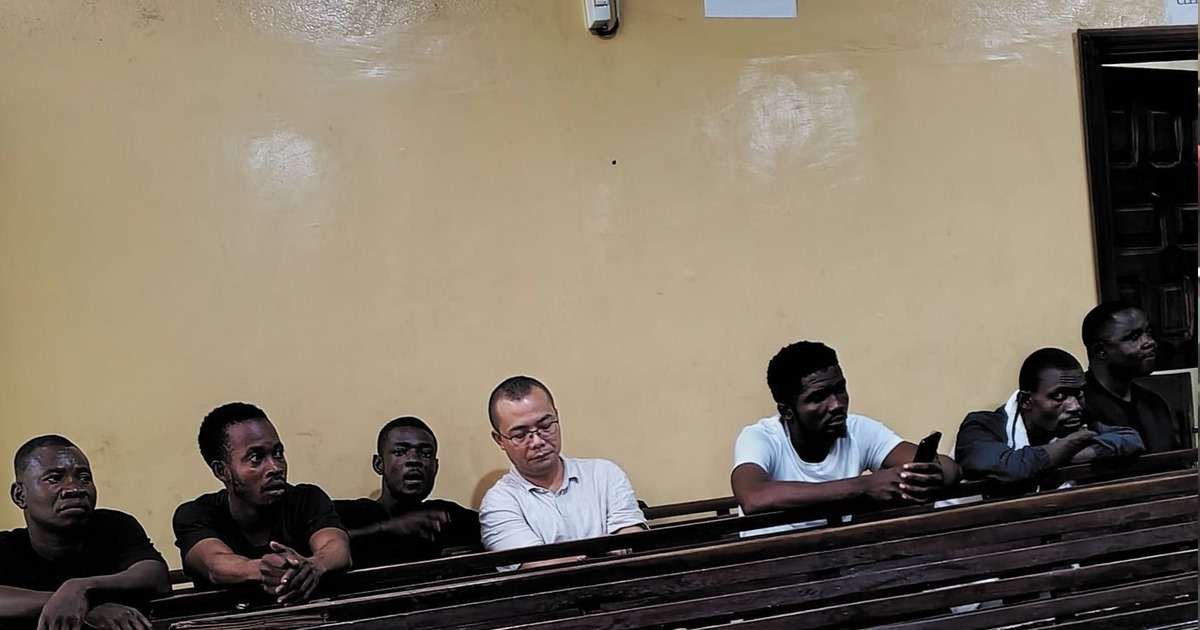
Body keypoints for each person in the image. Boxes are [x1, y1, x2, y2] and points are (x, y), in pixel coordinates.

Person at [731, 341, 960, 522]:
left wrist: (928, 474)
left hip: (838, 555)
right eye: (818, 397)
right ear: (787, 411)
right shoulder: (760, 438)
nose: (836, 404)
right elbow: (754, 497)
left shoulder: (859, 430)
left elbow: (949, 468)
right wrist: (864, 486)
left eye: (840, 389)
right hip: (773, 561)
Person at [172, 402, 350, 602]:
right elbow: (216, 564)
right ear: (222, 471)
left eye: (278, 453)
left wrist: (314, 565)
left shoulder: (307, 499)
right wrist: (271, 569)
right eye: (256, 458)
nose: (275, 467)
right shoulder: (196, 514)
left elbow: (337, 547)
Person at [1, 435, 169, 630]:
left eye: (84, 478)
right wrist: (76, 604)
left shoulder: (115, 526)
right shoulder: (6, 547)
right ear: (20, 495)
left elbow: (156, 577)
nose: (74, 488)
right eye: (54, 479)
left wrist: (80, 587)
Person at [480, 376, 646, 569]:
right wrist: (597, 551)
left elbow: (631, 533)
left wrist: (619, 542)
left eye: (545, 426)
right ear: (499, 440)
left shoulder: (604, 474)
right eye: (520, 434)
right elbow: (534, 565)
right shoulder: (499, 502)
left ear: (556, 417)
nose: (537, 442)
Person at [955, 347, 1144, 485]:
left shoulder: (1076, 421)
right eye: (1059, 396)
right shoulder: (981, 426)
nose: (1075, 406)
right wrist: (1070, 443)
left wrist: (1068, 454)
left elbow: (1130, 439)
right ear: (1026, 401)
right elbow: (1010, 467)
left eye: (1078, 393)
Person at [335, 416, 480, 568]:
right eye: (400, 452)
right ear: (379, 464)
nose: (414, 460)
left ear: (435, 467)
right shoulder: (346, 515)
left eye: (426, 454)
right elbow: (323, 549)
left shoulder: (447, 517)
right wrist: (386, 528)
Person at [1081, 302, 1181, 452]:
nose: (1150, 342)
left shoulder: (1154, 404)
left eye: (1148, 333)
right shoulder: (1076, 405)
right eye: (1134, 337)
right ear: (1100, 350)